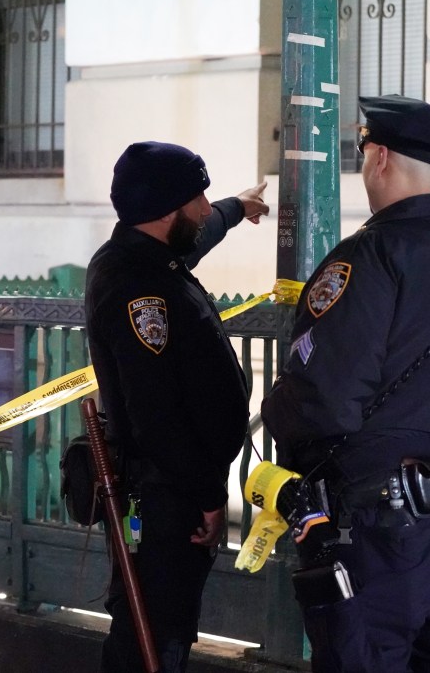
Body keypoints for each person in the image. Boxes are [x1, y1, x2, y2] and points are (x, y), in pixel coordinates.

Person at [260, 95, 430, 672]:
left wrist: (278, 413)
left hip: (370, 533)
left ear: (379, 157)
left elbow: (326, 401)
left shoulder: (361, 261)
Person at [84, 140, 268, 672]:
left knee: (162, 626)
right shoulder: (138, 287)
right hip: (166, 498)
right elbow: (156, 414)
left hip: (171, 490)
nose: (206, 208)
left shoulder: (145, 256)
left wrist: (238, 207)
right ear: (167, 210)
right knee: (153, 634)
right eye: (200, 198)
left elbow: (198, 235)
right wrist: (210, 497)